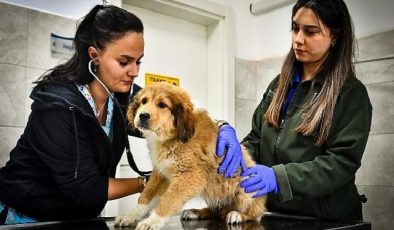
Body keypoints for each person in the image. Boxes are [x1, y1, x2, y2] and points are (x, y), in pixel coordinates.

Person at [216, 0, 372, 221]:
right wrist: (237, 152)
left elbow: (341, 163)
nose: (298, 39)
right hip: (278, 214)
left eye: (310, 31)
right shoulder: (278, 86)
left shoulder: (350, 94)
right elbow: (257, 139)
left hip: (328, 220)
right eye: (295, 28)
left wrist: (278, 177)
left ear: (335, 36)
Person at [0, 4, 148, 224]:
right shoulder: (57, 106)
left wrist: (217, 127)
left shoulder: (122, 95)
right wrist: (148, 183)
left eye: (139, 61)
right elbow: (85, 188)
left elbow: (171, 116)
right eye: (124, 62)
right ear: (94, 56)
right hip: (26, 215)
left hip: (76, 217)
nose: (134, 72)